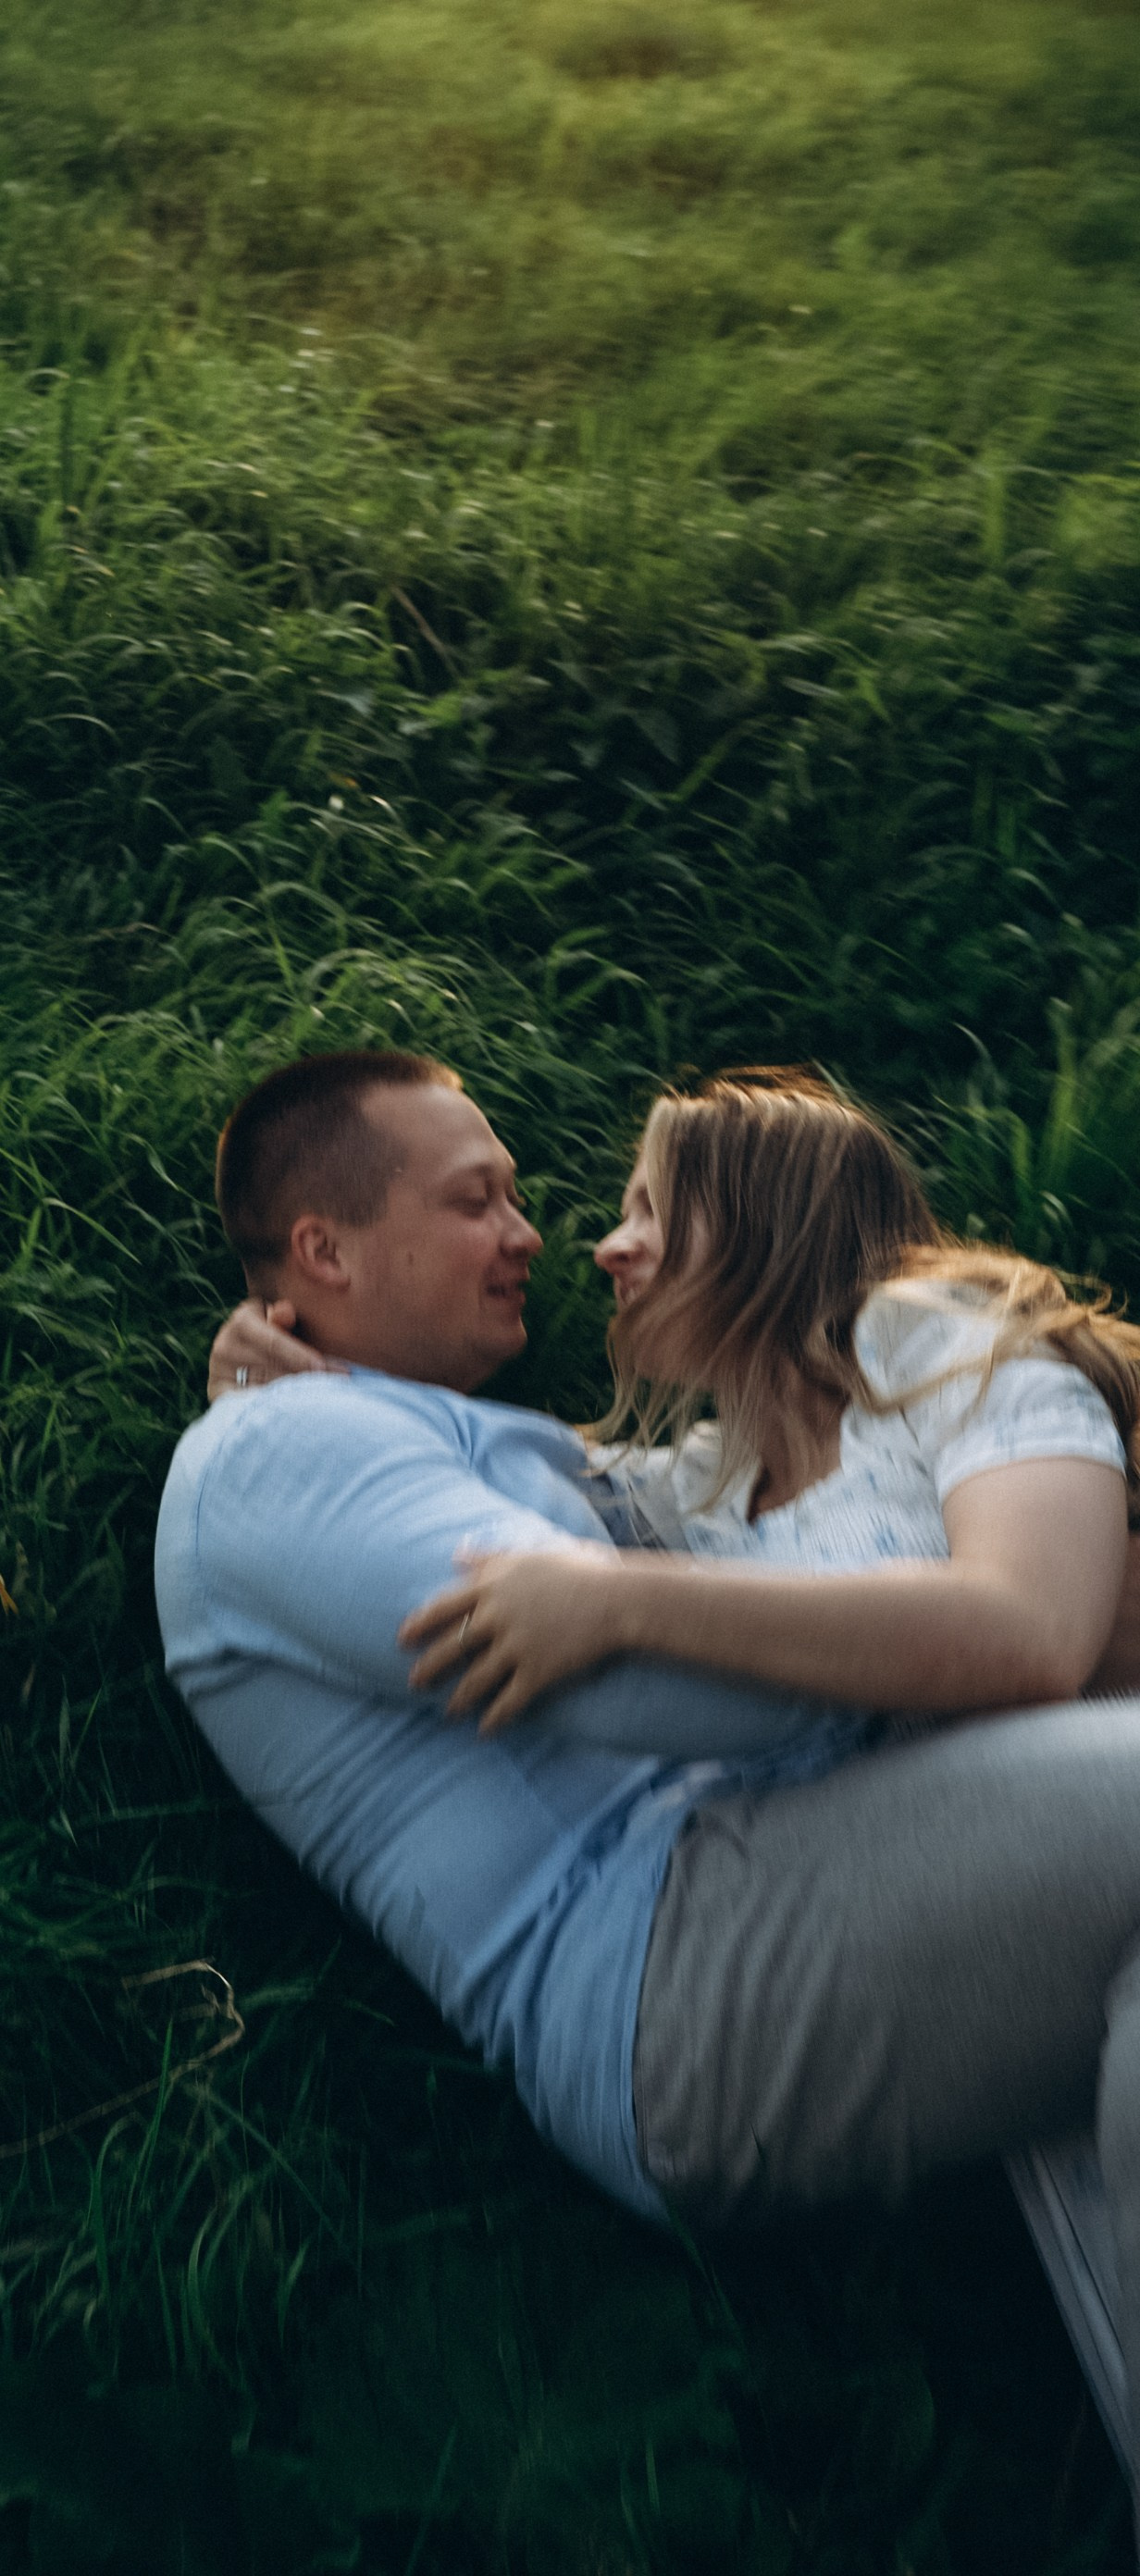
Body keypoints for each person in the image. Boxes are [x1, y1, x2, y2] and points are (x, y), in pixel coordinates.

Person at [154, 1048, 1140, 2499]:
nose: (540, 1234)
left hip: (753, 1897)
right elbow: (633, 1675)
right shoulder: (281, 1456)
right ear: (327, 1249)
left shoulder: (493, 1450)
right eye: (478, 1197)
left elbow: (627, 1558)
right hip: (660, 1964)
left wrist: (622, 1590)